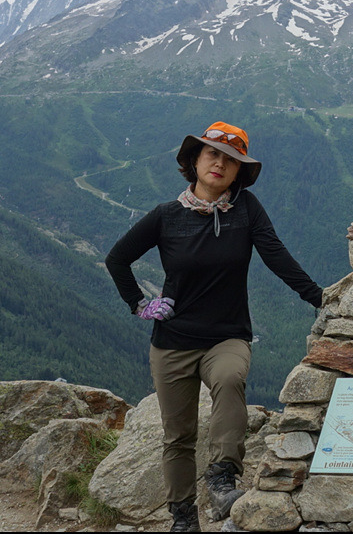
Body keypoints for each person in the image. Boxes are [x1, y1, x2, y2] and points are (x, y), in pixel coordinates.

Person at [105, 121, 324, 532]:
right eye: (213, 155)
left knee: (229, 379)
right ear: (195, 160)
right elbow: (117, 259)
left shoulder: (246, 209)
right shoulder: (167, 216)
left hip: (227, 335)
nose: (220, 164)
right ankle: (183, 517)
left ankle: (222, 478)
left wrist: (319, 297)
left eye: (231, 160)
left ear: (239, 171)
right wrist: (140, 304)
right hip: (172, 342)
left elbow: (276, 255)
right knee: (178, 435)